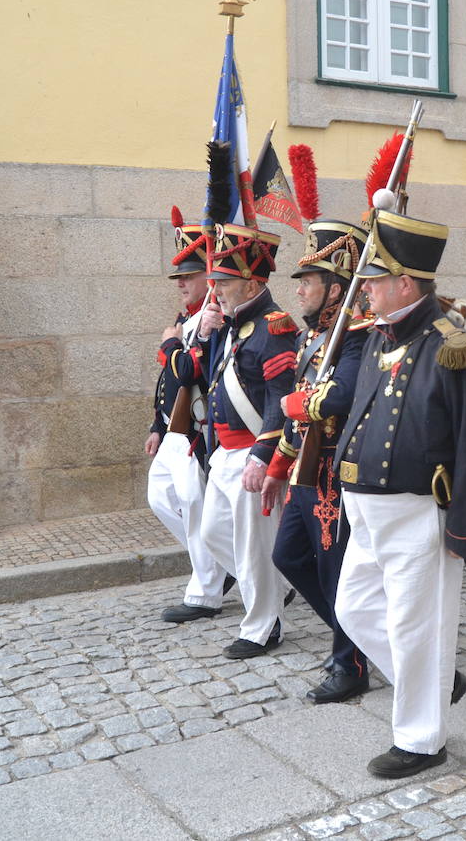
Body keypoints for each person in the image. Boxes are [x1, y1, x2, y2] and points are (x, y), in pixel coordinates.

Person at [333, 209, 466, 780]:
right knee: (353, 607)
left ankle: (421, 739)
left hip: (416, 514)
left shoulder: (451, 346)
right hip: (367, 511)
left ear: (405, 282)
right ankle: (436, 680)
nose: (366, 291)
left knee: (413, 625)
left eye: (375, 281)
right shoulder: (380, 339)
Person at [266, 219, 373, 703]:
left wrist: (296, 406)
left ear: (336, 288)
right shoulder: (311, 340)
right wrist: (276, 466)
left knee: (335, 570)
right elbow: (300, 407)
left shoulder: (354, 334)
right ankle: (366, 638)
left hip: (335, 469)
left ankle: (349, 665)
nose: (301, 289)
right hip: (305, 470)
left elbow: (341, 396)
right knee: (286, 556)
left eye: (309, 280)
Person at [194, 222, 298, 658]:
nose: (214, 289)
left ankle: (262, 626)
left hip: (252, 452)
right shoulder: (233, 325)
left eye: (223, 281)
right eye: (215, 280)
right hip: (226, 452)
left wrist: (262, 453)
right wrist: (206, 332)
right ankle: (279, 587)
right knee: (214, 534)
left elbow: (280, 399)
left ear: (252, 282)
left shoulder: (274, 327)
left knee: (252, 548)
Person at [149, 220, 237, 623]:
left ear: (209, 275)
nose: (181, 283)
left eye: (189, 275)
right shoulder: (188, 315)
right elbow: (167, 381)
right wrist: (156, 423)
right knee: (161, 497)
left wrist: (171, 344)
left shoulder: (213, 317)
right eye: (180, 276)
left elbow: (189, 373)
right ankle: (239, 569)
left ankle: (206, 591)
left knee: (193, 504)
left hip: (197, 431)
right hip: (173, 427)